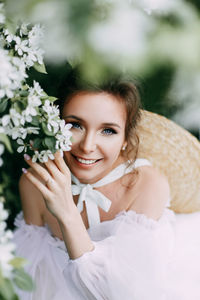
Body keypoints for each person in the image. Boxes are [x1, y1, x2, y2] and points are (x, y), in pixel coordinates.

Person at [13, 78, 200, 300]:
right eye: (75, 125)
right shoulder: (35, 185)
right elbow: (35, 281)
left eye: (108, 131)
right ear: (55, 125)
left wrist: (67, 213)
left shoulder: (147, 184)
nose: (88, 146)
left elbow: (121, 294)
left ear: (125, 139)